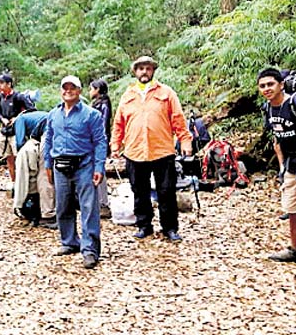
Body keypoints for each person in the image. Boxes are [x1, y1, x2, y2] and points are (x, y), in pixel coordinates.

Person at [110, 56, 192, 242]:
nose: (144, 72)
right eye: (140, 69)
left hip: (162, 150)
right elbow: (118, 124)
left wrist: (185, 141)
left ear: (153, 70)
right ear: (135, 72)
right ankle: (144, 225)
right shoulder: (128, 95)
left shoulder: (166, 93)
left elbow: (178, 119)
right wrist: (115, 144)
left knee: (166, 191)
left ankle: (170, 228)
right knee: (140, 191)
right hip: (134, 151)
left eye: (148, 68)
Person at [43, 75, 106, 269]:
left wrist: (99, 167)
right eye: (65, 87)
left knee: (88, 208)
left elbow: (100, 142)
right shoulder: (53, 114)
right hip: (60, 166)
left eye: (73, 87)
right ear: (61, 90)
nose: (68, 91)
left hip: (84, 165)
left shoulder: (91, 114)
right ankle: (69, 241)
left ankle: (90, 250)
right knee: (63, 206)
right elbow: (48, 139)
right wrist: (47, 163)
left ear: (79, 91)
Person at [257, 67, 296, 262]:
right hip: (292, 163)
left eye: (270, 84)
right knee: (293, 206)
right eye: (262, 86)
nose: (267, 89)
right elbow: (277, 139)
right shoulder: (268, 108)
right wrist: (282, 166)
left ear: (281, 85)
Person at [13, 110, 56, 228]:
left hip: (48, 133)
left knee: (44, 174)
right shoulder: (33, 116)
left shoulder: (19, 120)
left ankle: (48, 215)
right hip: (56, 131)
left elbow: (20, 141)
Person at [0, 73, 35, 191]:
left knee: (20, 158)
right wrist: (2, 119)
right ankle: (13, 182)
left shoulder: (18, 97)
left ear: (9, 84)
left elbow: (31, 110)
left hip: (17, 133)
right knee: (8, 158)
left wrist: (17, 119)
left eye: (2, 83)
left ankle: (24, 183)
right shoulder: (0, 97)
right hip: (4, 132)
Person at [89, 78, 112, 219]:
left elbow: (102, 126)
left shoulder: (103, 105)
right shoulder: (97, 104)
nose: (90, 91)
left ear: (97, 90)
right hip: (94, 141)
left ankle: (103, 204)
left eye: (92, 88)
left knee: (99, 170)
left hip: (98, 142)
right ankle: (98, 202)